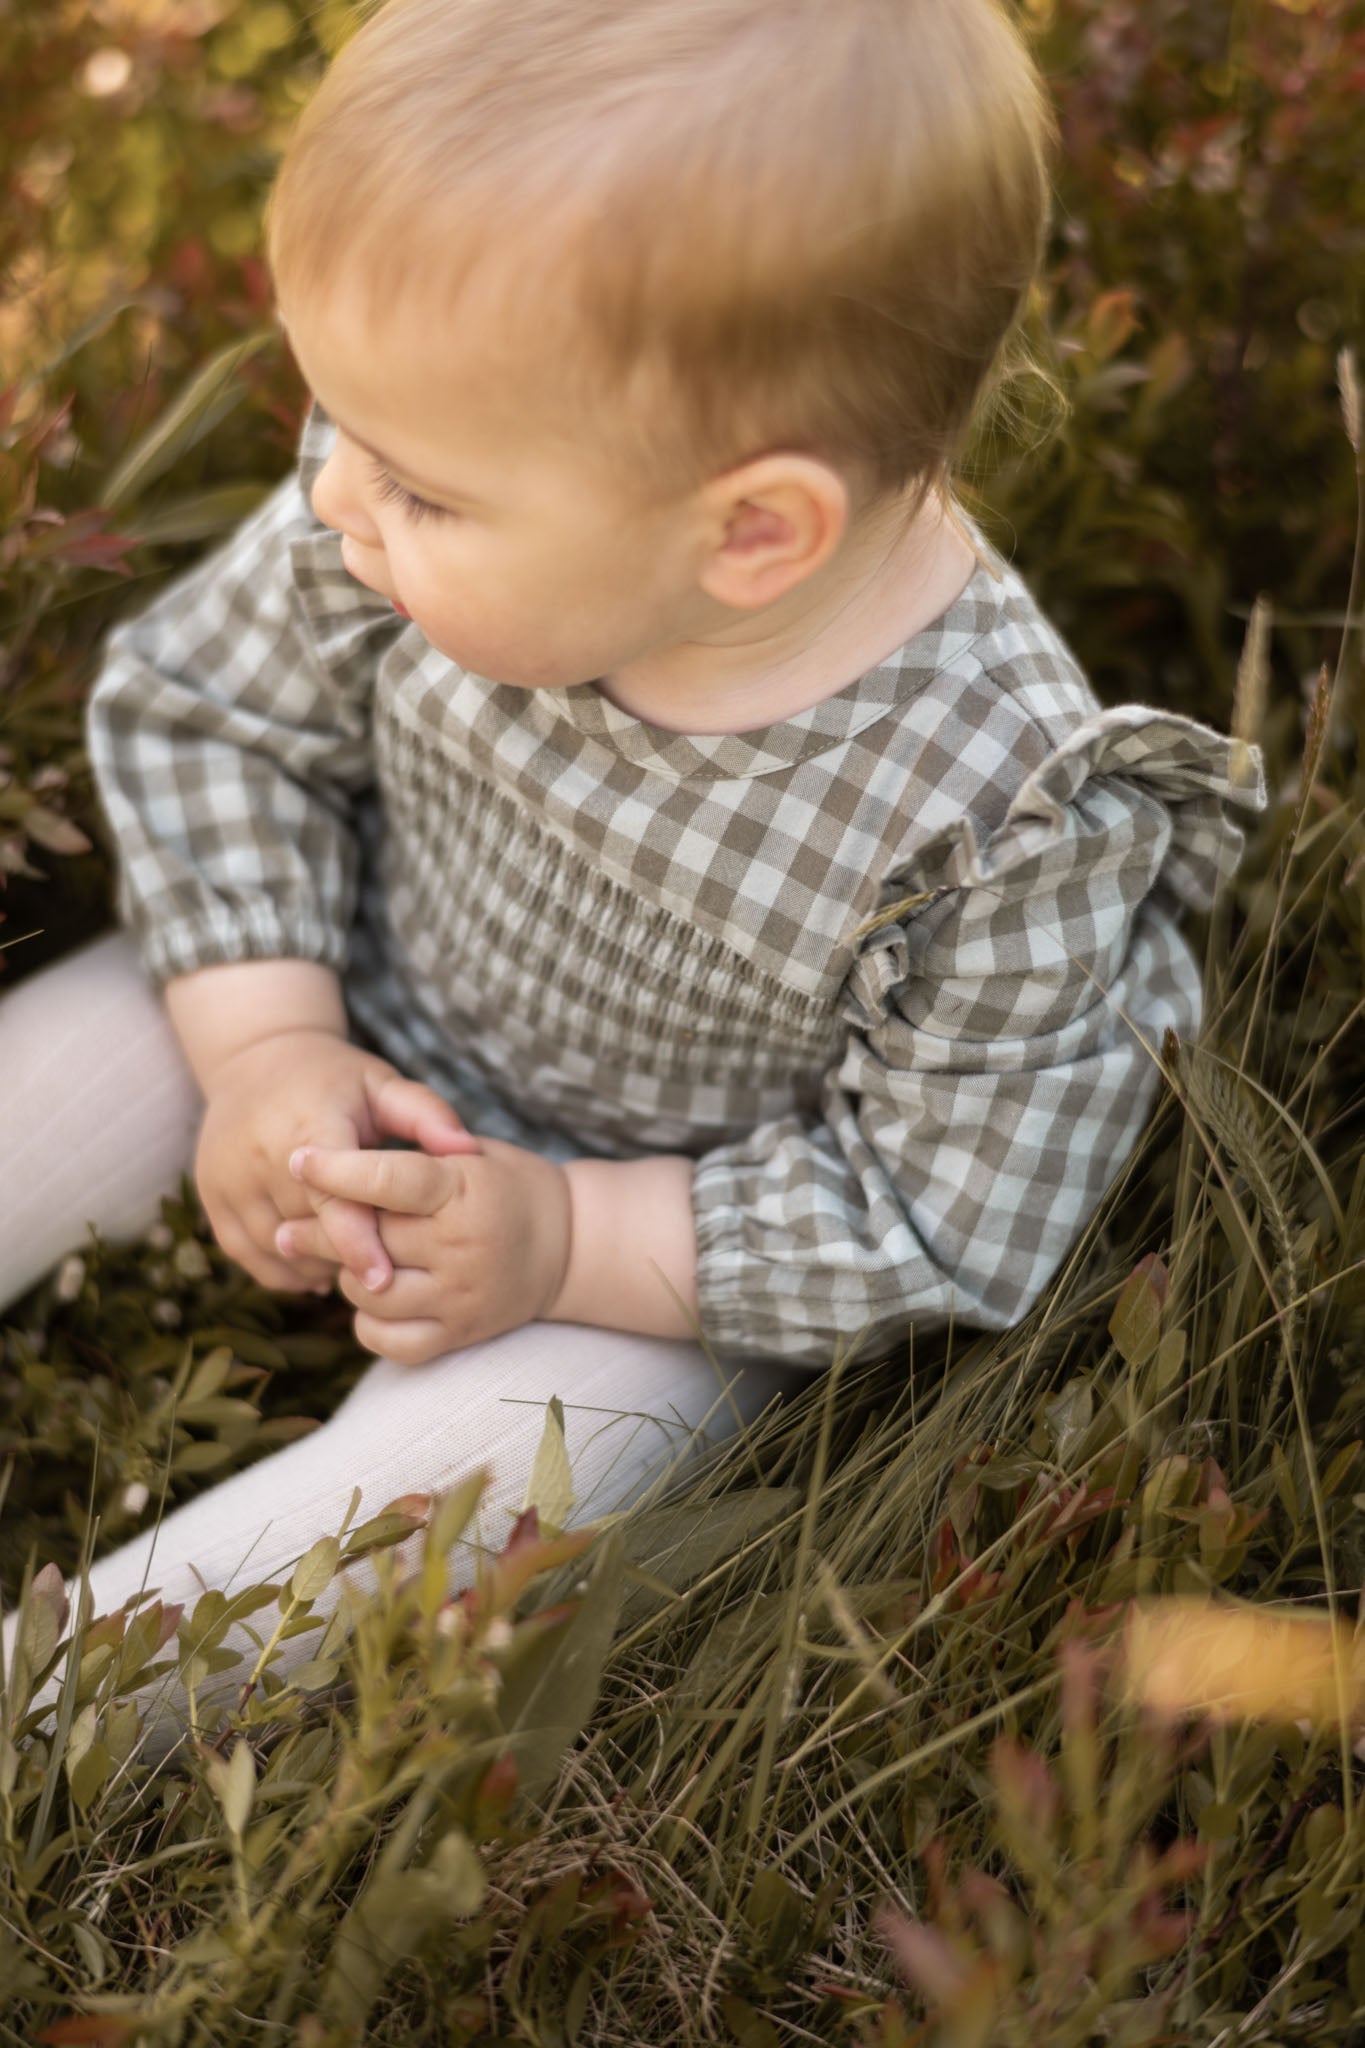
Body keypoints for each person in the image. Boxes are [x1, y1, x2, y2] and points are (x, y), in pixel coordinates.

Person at [1, 0, 1264, 1757]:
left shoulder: (1000, 813)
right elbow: (219, 713)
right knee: (56, 1081)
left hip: (662, 1237)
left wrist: (566, 1238)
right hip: (354, 985)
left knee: (478, 1484)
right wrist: (265, 1047)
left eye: (421, 488)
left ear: (750, 533)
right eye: (343, 430)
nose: (343, 500)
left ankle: (51, 1706)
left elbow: (942, 1204)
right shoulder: (408, 478)